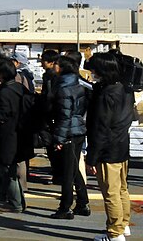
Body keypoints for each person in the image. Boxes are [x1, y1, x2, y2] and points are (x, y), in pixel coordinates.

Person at [85, 52, 134, 241]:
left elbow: (100, 129)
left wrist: (92, 158)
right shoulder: (124, 89)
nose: (93, 73)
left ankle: (114, 233)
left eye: (95, 70)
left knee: (110, 193)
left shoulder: (105, 95)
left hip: (108, 151)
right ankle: (123, 225)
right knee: (122, 189)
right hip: (122, 146)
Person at [50, 54, 90, 219]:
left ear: (62, 67)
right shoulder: (77, 84)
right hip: (78, 130)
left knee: (67, 173)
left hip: (69, 133)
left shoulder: (64, 88)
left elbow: (65, 116)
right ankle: (82, 203)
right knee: (73, 168)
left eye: (56, 64)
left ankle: (65, 207)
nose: (53, 66)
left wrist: (59, 139)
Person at [0, 58, 26, 213]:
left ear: (2, 74)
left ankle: (16, 203)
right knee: (12, 166)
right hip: (21, 132)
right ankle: (10, 197)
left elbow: (1, 116)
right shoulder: (20, 88)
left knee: (7, 169)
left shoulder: (3, 92)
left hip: (7, 134)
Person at [39, 49, 63, 185]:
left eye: (43, 61)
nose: (41, 63)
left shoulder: (53, 77)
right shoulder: (48, 76)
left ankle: (58, 173)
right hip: (49, 116)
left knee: (53, 147)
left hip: (51, 117)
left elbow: (49, 97)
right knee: (52, 147)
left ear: (51, 62)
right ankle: (57, 173)